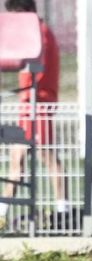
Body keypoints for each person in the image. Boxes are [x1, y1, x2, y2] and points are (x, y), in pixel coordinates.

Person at [0, 0, 66, 232]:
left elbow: (35, 64)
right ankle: (3, 213)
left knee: (47, 157)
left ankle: (62, 211)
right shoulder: (33, 33)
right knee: (17, 160)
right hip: (28, 105)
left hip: (39, 104)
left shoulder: (40, 34)